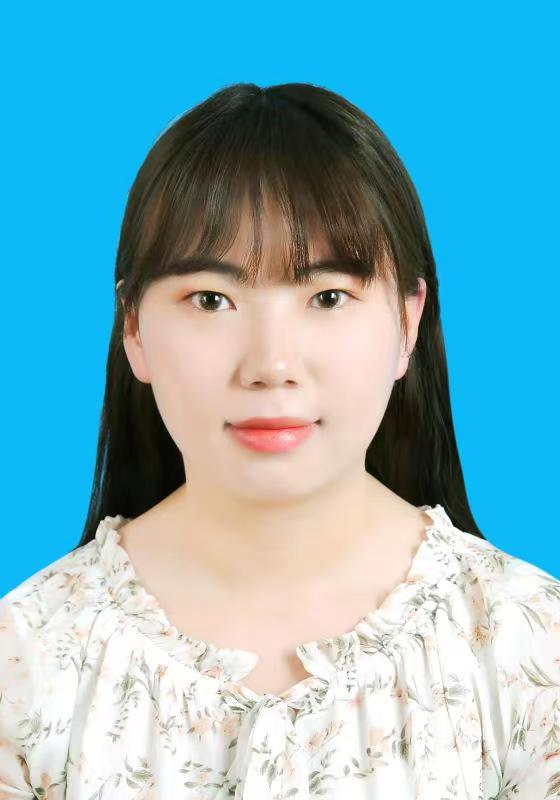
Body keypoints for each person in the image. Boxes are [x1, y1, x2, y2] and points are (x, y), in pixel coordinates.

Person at [1, 82, 558, 800]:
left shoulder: (528, 649)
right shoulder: (27, 662)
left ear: (408, 323)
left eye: (328, 296)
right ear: (133, 327)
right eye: (211, 299)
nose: (271, 365)